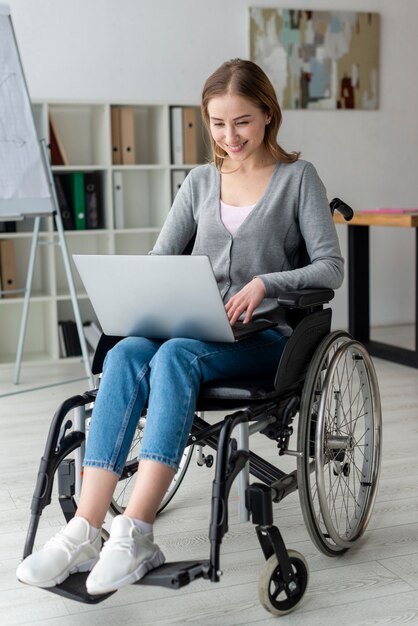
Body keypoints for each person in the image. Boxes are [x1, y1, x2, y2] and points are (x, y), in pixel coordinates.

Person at [16, 58, 343, 595]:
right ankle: (84, 530)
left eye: (241, 121)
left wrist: (267, 283)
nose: (229, 135)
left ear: (266, 115)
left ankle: (137, 532)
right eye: (217, 123)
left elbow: (331, 267)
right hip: (191, 326)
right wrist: (141, 289)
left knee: (174, 358)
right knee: (123, 356)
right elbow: (161, 257)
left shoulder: (296, 179)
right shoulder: (198, 183)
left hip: (263, 339)